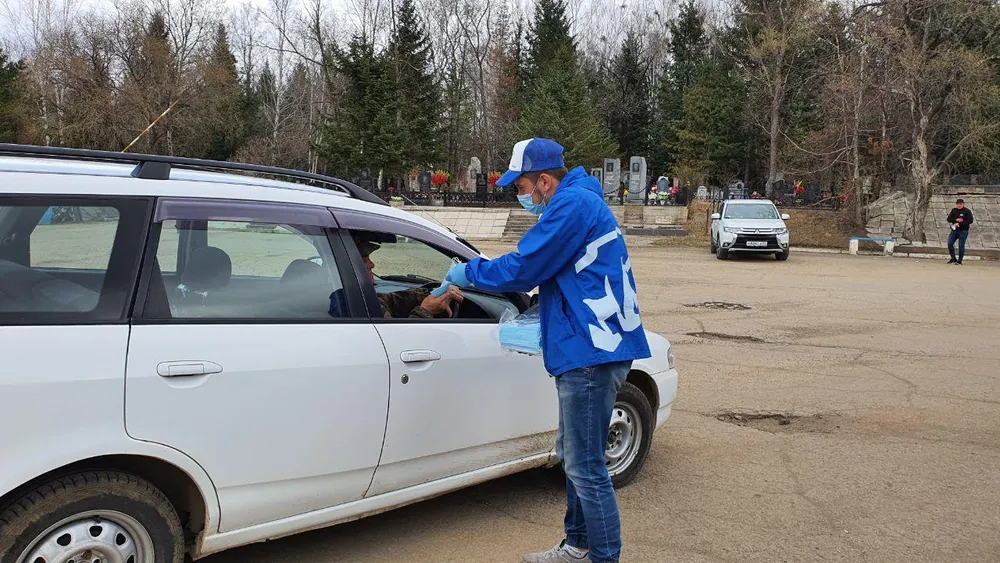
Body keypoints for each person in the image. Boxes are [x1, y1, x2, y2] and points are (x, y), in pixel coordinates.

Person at [445, 138, 650, 563]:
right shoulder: (583, 201)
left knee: (585, 466)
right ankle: (578, 545)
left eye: (520, 187)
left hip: (591, 351)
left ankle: (602, 556)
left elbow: (526, 267)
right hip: (593, 346)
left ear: (543, 181)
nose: (519, 197)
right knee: (575, 456)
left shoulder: (571, 205)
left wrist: (469, 272)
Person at [354, 237, 464, 318]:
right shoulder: (360, 307)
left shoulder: (359, 297)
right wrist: (426, 310)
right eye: (364, 261)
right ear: (349, 266)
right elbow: (396, 339)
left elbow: (395, 301)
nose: (372, 265)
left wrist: (437, 292)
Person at [946, 198, 974, 265]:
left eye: (960, 204)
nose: (959, 205)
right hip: (954, 230)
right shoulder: (954, 210)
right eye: (958, 204)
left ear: (963, 204)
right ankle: (953, 258)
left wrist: (960, 223)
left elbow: (970, 220)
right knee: (950, 243)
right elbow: (949, 219)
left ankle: (960, 260)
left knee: (961, 245)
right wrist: (956, 220)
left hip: (963, 231)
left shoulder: (967, 211)